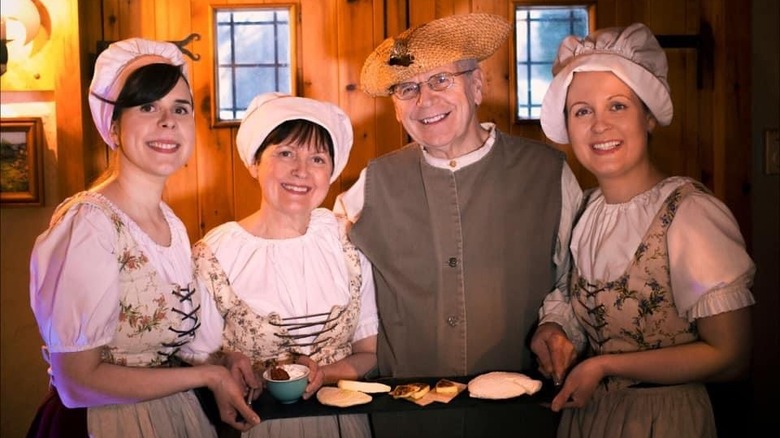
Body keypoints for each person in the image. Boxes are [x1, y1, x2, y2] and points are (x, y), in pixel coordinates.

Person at [334, 13, 585, 437]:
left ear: (477, 84)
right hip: (406, 424)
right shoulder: (367, 188)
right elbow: (331, 286)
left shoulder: (548, 174)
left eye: (441, 81)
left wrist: (558, 325)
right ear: (396, 108)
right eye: (407, 88)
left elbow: (575, 282)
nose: (425, 101)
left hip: (521, 419)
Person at [531, 23, 757, 437]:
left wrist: (605, 365)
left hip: (666, 421)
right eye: (583, 111)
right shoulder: (585, 211)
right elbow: (582, 308)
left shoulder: (689, 214)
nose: (599, 126)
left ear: (649, 117)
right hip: (590, 418)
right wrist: (555, 331)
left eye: (618, 106)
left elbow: (731, 355)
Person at [26, 38, 259, 437]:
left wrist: (222, 361)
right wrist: (205, 378)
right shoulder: (89, 225)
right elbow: (77, 382)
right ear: (113, 127)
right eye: (148, 106)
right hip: (104, 423)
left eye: (180, 109)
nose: (167, 121)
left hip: (173, 418)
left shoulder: (171, 223)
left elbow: (168, 344)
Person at [181, 92, 379, 438]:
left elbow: (368, 353)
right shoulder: (216, 255)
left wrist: (327, 373)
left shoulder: (347, 242)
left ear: (331, 173)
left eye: (317, 159)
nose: (301, 171)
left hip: (343, 425)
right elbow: (196, 357)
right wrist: (226, 364)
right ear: (254, 163)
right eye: (285, 153)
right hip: (258, 427)